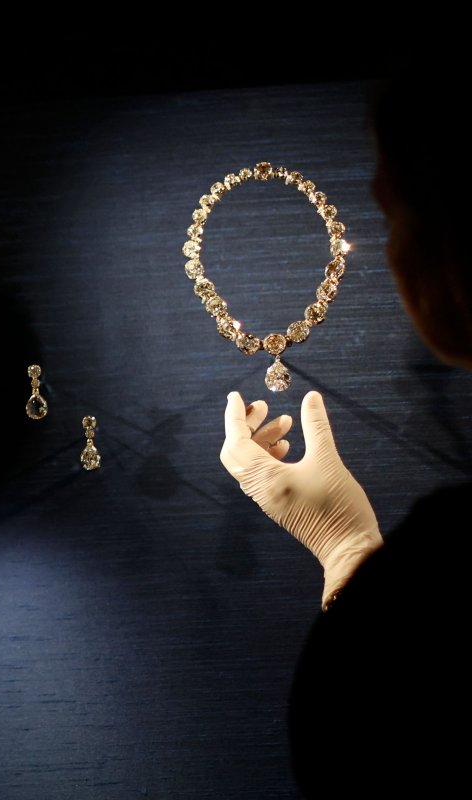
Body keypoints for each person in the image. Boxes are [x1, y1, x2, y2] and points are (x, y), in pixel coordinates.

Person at [219, 75, 469, 798]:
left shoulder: (447, 552)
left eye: (394, 221)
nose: (389, 255)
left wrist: (347, 551)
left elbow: (365, 746)